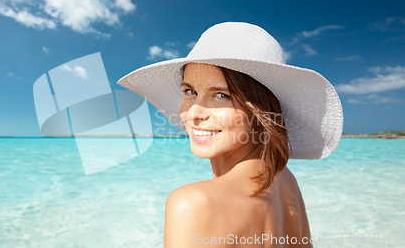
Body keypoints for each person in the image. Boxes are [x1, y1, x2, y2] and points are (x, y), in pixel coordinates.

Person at [118, 22, 343, 247]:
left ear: (260, 109)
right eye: (190, 91)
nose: (194, 113)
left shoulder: (193, 204)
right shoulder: (284, 179)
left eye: (221, 95)